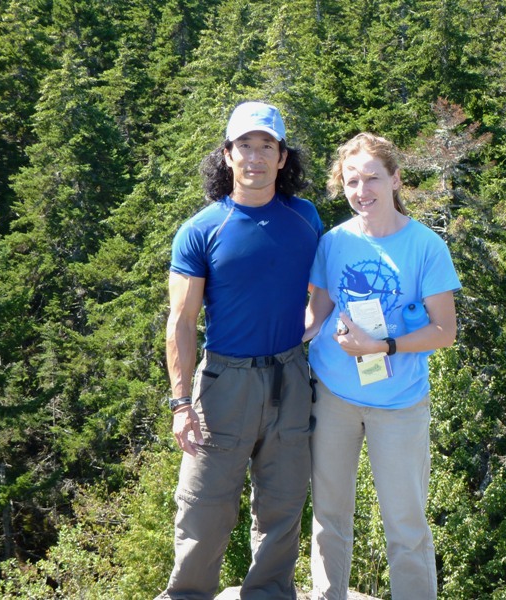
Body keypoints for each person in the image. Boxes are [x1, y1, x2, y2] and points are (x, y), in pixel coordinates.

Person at [159, 101, 323, 600]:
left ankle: (271, 593)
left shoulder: (305, 217)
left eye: (266, 146)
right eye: (244, 146)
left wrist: (306, 332)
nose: (255, 157)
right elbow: (182, 323)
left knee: (284, 501)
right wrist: (181, 403)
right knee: (204, 504)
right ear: (227, 155)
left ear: (282, 157)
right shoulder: (202, 229)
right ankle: (187, 595)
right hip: (224, 384)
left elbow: (323, 290)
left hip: (291, 379)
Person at [303, 133, 461, 600]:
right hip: (333, 395)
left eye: (372, 177)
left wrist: (382, 345)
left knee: (406, 525)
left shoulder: (426, 246)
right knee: (329, 516)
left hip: (399, 404)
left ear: (395, 179)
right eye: (352, 181)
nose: (361, 190)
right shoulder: (334, 243)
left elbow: (444, 331)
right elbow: (315, 315)